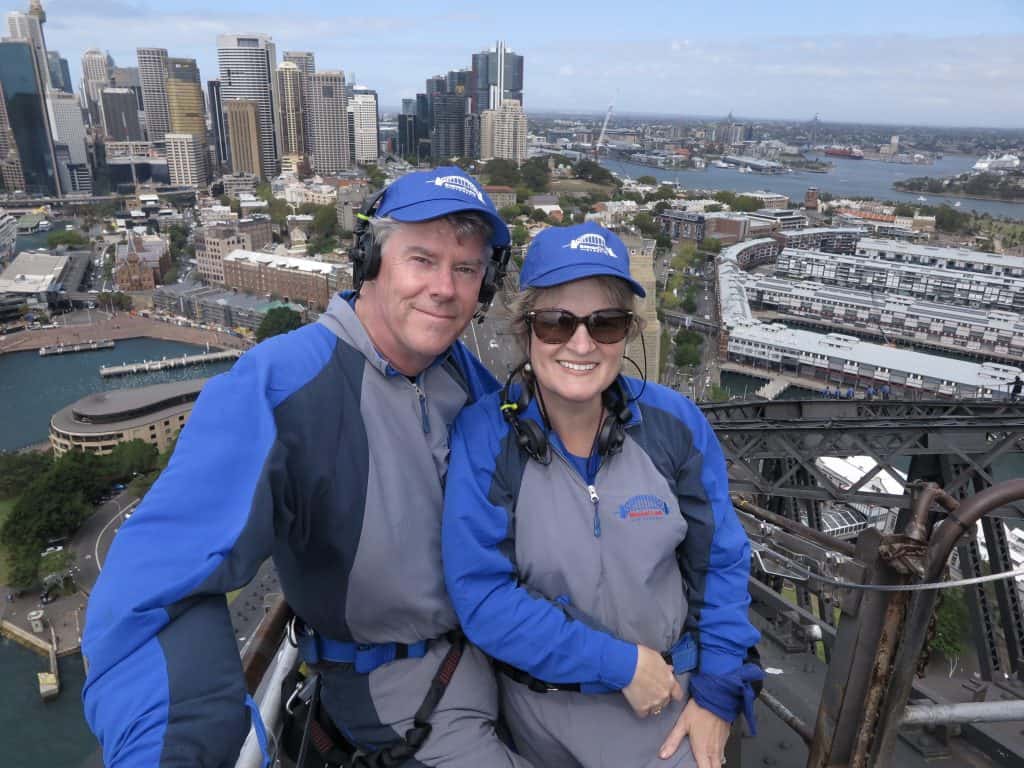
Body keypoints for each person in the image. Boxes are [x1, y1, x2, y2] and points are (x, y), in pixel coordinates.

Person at [82, 168, 531, 767]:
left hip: (497, 652)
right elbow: (154, 587)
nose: (445, 288)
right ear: (371, 259)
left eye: (467, 269)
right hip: (400, 692)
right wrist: (172, 750)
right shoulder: (278, 387)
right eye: (421, 259)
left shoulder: (468, 381)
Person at [443, 223, 762, 768]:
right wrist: (618, 665)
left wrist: (716, 695)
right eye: (556, 322)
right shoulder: (486, 437)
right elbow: (484, 599)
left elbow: (721, 564)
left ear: (627, 334)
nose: (582, 343)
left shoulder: (674, 426)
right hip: (538, 721)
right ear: (525, 331)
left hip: (669, 709)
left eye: (605, 323)